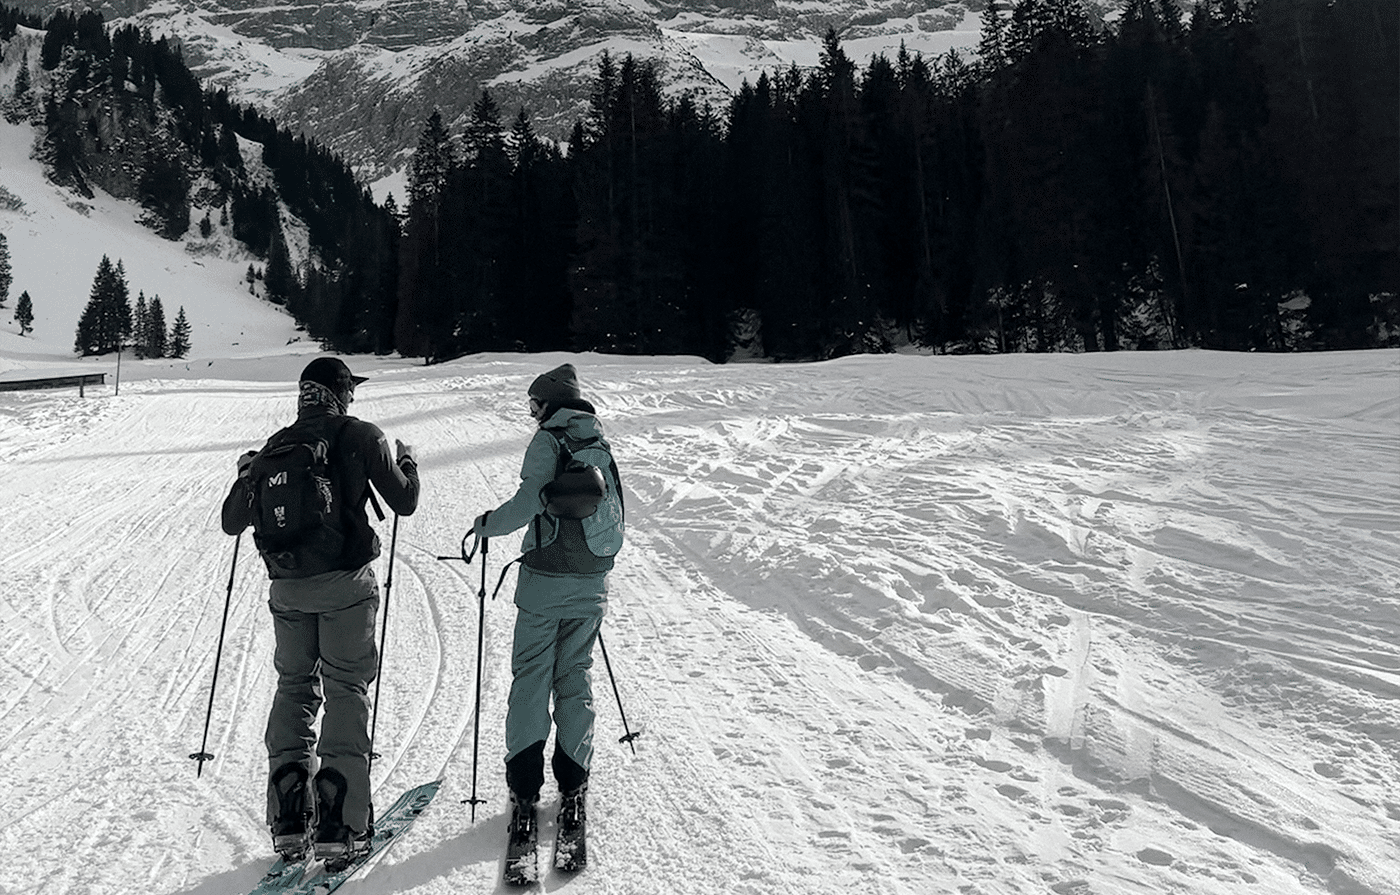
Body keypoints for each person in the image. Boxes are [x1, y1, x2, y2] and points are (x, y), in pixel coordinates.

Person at [221, 357, 420, 863]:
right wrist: (408, 464)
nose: (352, 397)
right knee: (346, 688)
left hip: (287, 590)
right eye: (350, 389)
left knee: (293, 687)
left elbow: (231, 522)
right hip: (346, 586)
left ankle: (289, 817)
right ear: (340, 391)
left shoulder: (275, 448)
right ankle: (341, 821)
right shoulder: (361, 436)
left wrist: (247, 474)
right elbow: (404, 501)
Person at [470, 362, 624, 856]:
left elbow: (526, 504)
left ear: (553, 404)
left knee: (532, 677)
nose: (532, 414)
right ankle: (574, 784)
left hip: (544, 585)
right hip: (591, 581)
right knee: (574, 677)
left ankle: (525, 788)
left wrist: (485, 525)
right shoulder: (599, 444)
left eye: (535, 405)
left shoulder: (548, 442)